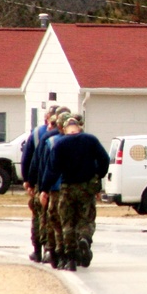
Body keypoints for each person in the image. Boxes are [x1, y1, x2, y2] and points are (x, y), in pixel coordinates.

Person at [39, 114, 109, 272]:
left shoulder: (60, 143)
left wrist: (44, 189)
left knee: (67, 223)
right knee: (86, 219)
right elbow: (104, 159)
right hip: (86, 187)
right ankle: (84, 238)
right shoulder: (91, 140)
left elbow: (52, 169)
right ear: (79, 127)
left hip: (67, 188)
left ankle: (70, 259)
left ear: (64, 129)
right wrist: (98, 176)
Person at [24, 106, 70, 264]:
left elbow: (34, 160)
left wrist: (30, 181)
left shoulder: (43, 137)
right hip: (69, 185)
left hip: (47, 183)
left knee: (44, 218)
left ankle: (44, 250)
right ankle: (66, 251)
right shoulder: (82, 137)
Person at [21, 105, 57, 262]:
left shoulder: (37, 134)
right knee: (52, 217)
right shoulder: (66, 135)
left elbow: (28, 159)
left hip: (39, 182)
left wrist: (28, 180)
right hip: (55, 183)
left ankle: (38, 250)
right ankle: (51, 249)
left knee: (38, 217)